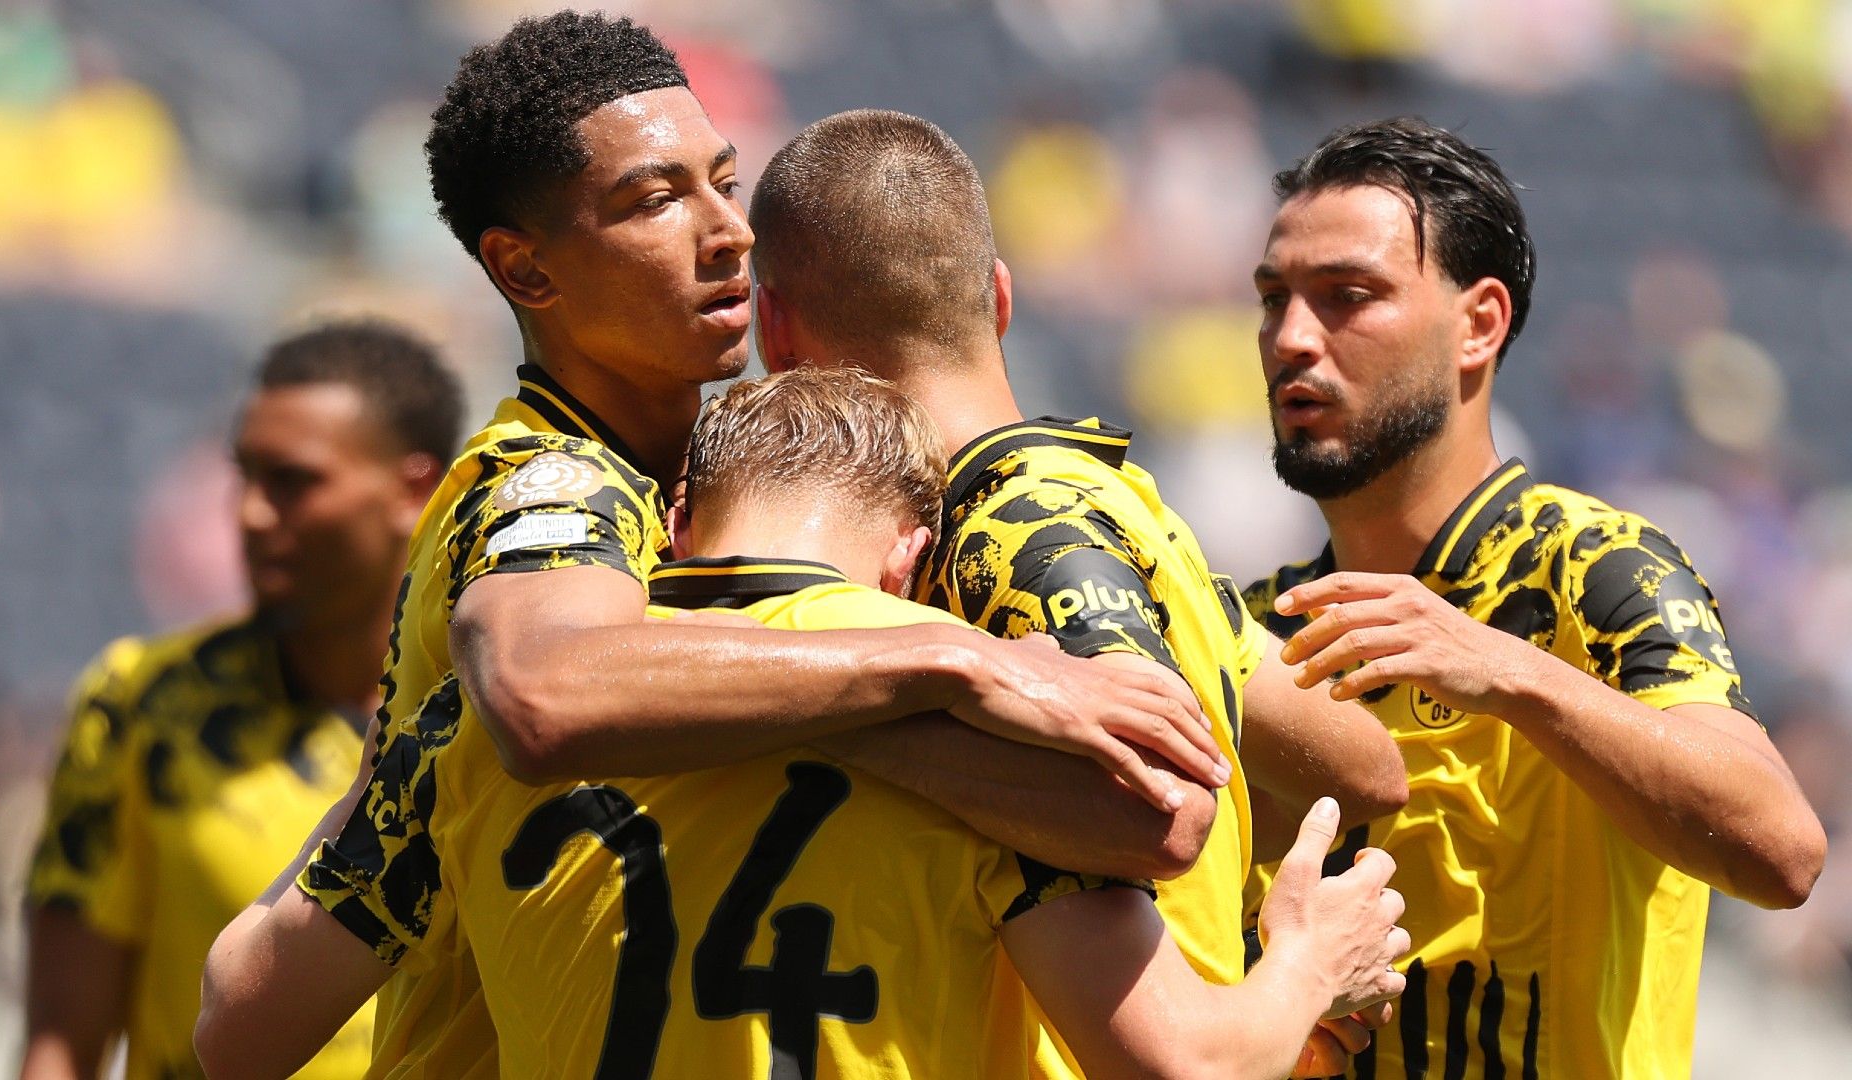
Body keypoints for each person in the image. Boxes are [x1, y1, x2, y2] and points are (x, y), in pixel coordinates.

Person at [196, 15, 1227, 1079]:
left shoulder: (718, 499)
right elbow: (546, 691)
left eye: (722, 182)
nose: (727, 230)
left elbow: (1158, 816)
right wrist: (959, 661)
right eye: (653, 201)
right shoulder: (554, 485)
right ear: (526, 269)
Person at [437, 361, 1410, 1078]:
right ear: (911, 554)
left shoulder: (482, 707)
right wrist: (1310, 964)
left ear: (680, 519)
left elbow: (291, 984)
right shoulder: (1005, 721)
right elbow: (1189, 1065)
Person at [744, 108, 1409, 1072]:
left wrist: (1294, 970)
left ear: (773, 329)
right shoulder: (1125, 505)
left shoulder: (994, 538)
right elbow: (1362, 765)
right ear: (1001, 299)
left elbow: (1160, 808)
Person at [1242, 117, 1829, 1077]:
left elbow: (1781, 848)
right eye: (1275, 300)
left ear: (1479, 323)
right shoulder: (1260, 626)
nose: (1293, 339)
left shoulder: (1597, 567)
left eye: (1348, 297)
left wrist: (1506, 669)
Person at [20, 321, 463, 1080]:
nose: (250, 513)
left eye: (293, 481)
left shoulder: (495, 712)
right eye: (245, 476)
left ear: (413, 487)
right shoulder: (141, 702)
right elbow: (63, 1039)